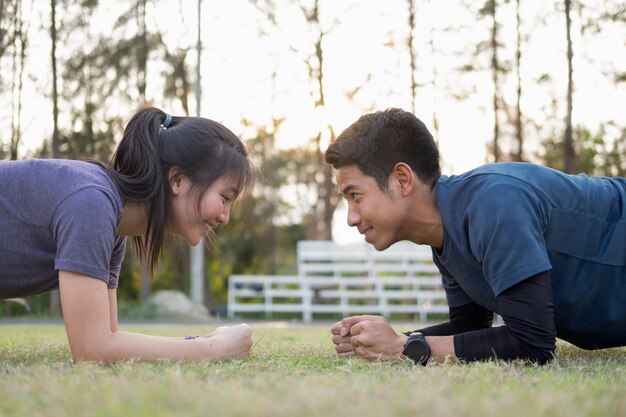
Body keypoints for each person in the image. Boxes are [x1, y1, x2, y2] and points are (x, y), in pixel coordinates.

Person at [326, 108, 626, 365]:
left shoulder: (494, 203)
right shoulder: (445, 230)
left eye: (355, 195)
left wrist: (404, 349)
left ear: (402, 179)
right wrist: (391, 341)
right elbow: (469, 327)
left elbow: (532, 342)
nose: (351, 217)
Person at [0, 107, 254, 363]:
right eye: (225, 198)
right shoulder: (92, 202)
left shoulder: (113, 225)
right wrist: (212, 350)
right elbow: (92, 350)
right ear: (178, 181)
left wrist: (204, 342)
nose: (225, 217)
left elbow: (109, 338)